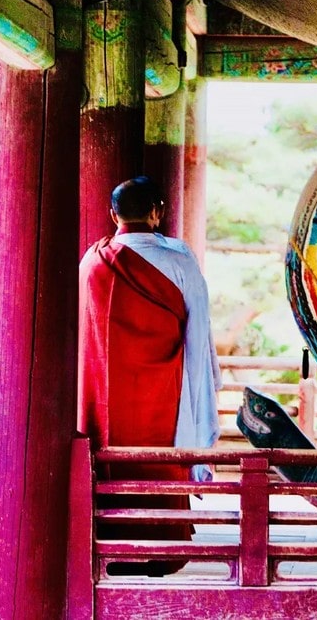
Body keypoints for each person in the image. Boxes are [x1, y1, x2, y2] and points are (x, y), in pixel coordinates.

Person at [78, 176, 221, 575]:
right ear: (157, 212)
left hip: (106, 388)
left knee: (112, 457)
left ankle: (112, 546)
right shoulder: (179, 259)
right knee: (164, 458)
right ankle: (163, 550)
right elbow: (198, 326)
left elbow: (85, 335)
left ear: (113, 214)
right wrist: (201, 381)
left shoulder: (93, 262)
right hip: (167, 386)